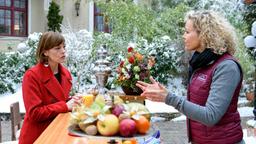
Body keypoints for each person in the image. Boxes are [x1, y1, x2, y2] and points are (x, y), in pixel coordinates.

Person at [136, 10, 245, 144]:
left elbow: (211, 115)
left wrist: (169, 98)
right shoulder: (201, 63)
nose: (183, 36)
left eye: (187, 32)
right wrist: (164, 94)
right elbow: (197, 104)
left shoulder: (226, 67)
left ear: (204, 34)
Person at [19, 32, 81, 144]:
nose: (63, 51)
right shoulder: (32, 76)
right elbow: (34, 113)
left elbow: (58, 100)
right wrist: (65, 105)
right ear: (45, 52)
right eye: (57, 48)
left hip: (59, 132)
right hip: (39, 136)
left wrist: (72, 100)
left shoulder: (66, 74)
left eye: (64, 47)